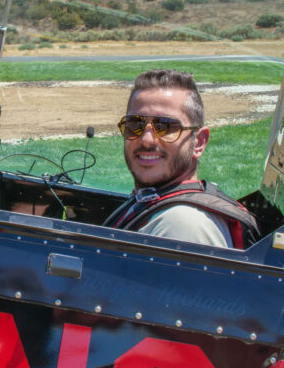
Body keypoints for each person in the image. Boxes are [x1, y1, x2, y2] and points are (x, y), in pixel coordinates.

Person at [103, 69, 258, 248]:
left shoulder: (181, 226)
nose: (146, 140)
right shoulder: (149, 201)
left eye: (166, 127)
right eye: (135, 125)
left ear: (199, 142)